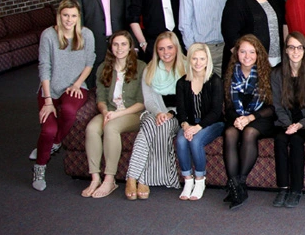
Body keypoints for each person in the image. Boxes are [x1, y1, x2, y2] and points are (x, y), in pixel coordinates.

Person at [31, 0, 95, 191]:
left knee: (68, 111)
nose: (69, 19)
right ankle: (40, 167)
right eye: (65, 15)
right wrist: (48, 100)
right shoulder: (49, 35)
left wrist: (76, 84)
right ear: (59, 16)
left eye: (73, 15)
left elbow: (89, 61)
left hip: (76, 87)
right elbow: (45, 67)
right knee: (48, 130)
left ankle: (55, 143)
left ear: (78, 17)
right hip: (51, 89)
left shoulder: (86, 34)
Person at [81, 31, 145, 199]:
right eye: (116, 44)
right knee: (92, 129)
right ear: (111, 47)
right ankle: (95, 177)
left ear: (131, 46)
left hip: (133, 113)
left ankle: (110, 179)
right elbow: (100, 98)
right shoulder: (104, 67)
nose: (120, 48)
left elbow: (142, 102)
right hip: (109, 111)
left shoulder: (141, 67)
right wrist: (105, 112)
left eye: (124, 44)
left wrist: (117, 115)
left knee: (111, 128)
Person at [125, 32, 186, 199]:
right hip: (153, 111)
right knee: (151, 124)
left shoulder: (187, 67)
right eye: (161, 49)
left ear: (176, 48)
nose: (166, 52)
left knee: (160, 126)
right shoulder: (149, 69)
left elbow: (189, 100)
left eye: (169, 47)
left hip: (177, 115)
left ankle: (138, 177)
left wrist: (170, 113)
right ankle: (134, 179)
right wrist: (159, 112)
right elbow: (149, 100)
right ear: (156, 51)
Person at [222, 35, 276, 210]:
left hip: (262, 119)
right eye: (243, 51)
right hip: (237, 118)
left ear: (258, 54)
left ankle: (239, 183)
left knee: (249, 132)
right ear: (236, 53)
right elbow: (228, 106)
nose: (247, 56)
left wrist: (250, 118)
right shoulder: (230, 73)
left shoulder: (269, 73)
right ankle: (236, 186)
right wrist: (238, 119)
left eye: (252, 52)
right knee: (229, 133)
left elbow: (273, 107)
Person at [270, 32, 305, 208]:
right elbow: (277, 105)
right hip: (285, 121)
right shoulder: (277, 73)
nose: (295, 51)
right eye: (291, 47)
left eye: (299, 47)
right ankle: (283, 188)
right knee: (280, 139)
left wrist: (300, 125)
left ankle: (296, 189)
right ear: (285, 50)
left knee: (297, 140)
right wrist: (288, 124)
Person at [175, 43, 225, 201]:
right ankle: (187, 180)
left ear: (207, 60)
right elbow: (181, 111)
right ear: (189, 60)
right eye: (194, 59)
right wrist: (185, 125)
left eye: (202, 59)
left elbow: (216, 112)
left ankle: (200, 180)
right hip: (190, 123)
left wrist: (197, 127)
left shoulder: (215, 81)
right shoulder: (182, 83)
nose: (198, 62)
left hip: (212, 123)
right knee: (181, 140)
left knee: (196, 141)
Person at [221, 0, 284, 70]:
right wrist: (244, 59)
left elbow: (284, 22)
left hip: (275, 59)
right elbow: (229, 33)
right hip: (249, 62)